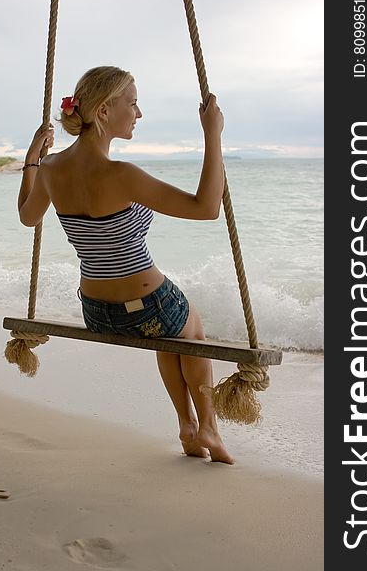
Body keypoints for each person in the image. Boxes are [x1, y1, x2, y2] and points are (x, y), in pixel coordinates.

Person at [18, 66, 233, 465]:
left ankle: (187, 426)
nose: (139, 113)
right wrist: (212, 135)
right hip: (148, 308)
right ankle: (206, 426)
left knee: (170, 330)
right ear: (103, 112)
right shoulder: (123, 176)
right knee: (190, 327)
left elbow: (28, 218)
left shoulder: (50, 171)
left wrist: (33, 157)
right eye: (132, 103)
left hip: (97, 313)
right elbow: (207, 208)